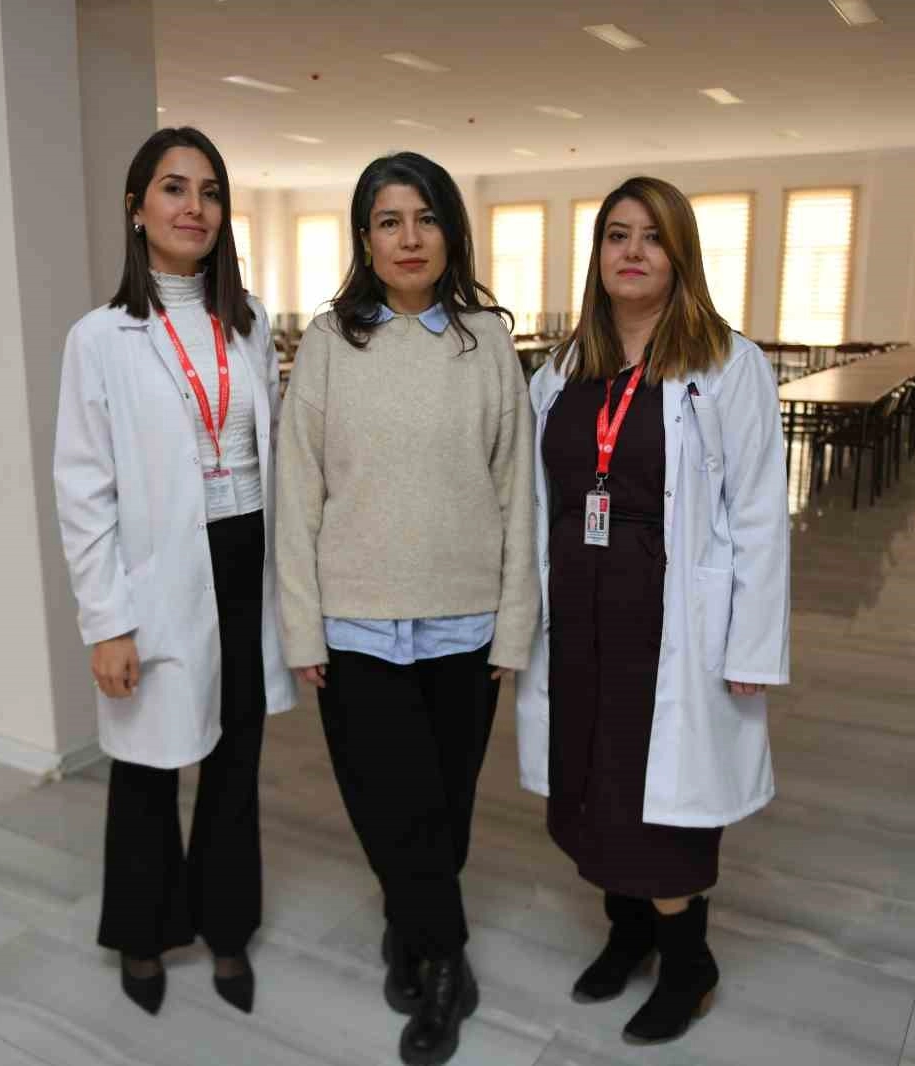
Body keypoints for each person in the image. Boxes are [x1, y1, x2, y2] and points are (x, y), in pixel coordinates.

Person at [274, 151, 537, 1066]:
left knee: (445, 810)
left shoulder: (486, 343)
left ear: (451, 232)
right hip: (356, 625)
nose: (410, 238)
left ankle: (410, 923)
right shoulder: (329, 343)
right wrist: (301, 625)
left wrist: (514, 623)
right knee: (387, 805)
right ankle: (446, 962)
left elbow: (517, 493)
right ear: (365, 238)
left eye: (426, 219)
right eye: (390, 221)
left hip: (465, 622)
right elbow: (298, 493)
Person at [515, 176, 790, 1047]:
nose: (632, 252)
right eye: (616, 235)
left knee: (661, 803)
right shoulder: (563, 369)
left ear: (680, 256)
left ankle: (688, 964)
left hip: (670, 619)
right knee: (592, 783)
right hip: (577, 612)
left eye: (652, 237)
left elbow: (759, 513)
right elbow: (534, 499)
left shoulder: (727, 365)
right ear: (597, 254)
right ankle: (627, 933)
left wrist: (752, 644)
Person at [53, 127, 295, 1019]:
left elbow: (274, 447)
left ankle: (227, 925)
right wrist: (106, 621)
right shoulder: (100, 337)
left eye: (210, 191)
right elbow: (84, 488)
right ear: (136, 208)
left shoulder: (250, 320)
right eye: (174, 188)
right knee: (147, 762)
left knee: (236, 757)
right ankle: (143, 932)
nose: (195, 207)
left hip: (245, 556)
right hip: (156, 571)